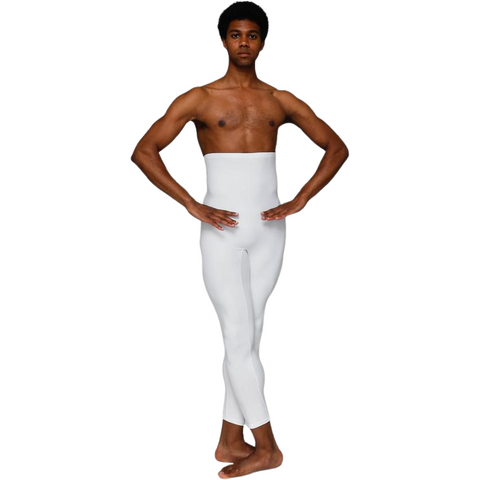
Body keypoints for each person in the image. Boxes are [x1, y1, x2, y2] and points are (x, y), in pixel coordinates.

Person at [130, 1, 349, 477]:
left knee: (248, 335)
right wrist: (191, 203)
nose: (244, 42)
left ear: (263, 42)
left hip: (270, 229)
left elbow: (337, 147)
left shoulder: (280, 100)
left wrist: (302, 198)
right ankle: (268, 446)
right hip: (220, 231)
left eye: (252, 35)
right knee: (237, 334)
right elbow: (144, 151)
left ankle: (230, 439)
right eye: (235, 34)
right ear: (223, 40)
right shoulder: (200, 98)